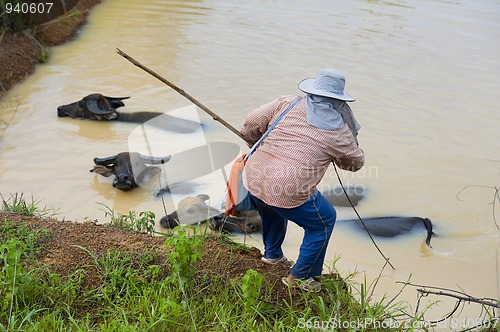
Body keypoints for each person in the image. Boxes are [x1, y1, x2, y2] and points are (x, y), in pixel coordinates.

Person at [240, 68, 365, 292]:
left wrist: (253, 141)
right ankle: (300, 276)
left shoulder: (286, 103)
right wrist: (339, 159)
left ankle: (273, 256)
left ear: (312, 91)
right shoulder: (338, 132)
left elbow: (252, 122)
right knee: (324, 221)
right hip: (288, 187)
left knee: (271, 208)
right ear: (339, 102)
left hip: (254, 175)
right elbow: (355, 163)